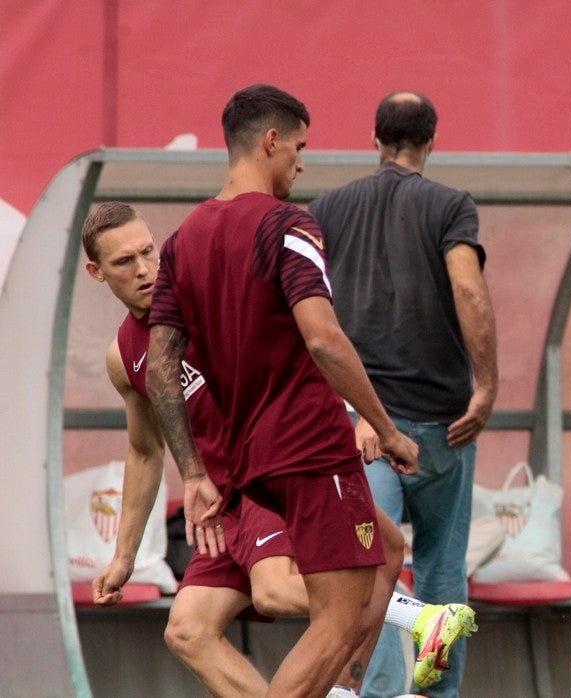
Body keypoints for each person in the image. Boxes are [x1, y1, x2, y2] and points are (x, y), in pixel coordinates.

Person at [146, 84, 465, 698]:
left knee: (384, 553)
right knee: (342, 616)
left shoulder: (182, 241)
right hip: (310, 446)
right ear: (271, 142)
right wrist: (388, 427)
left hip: (249, 461)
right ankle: (416, 628)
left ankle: (380, 660)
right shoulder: (288, 223)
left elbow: (162, 367)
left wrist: (191, 470)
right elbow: (324, 340)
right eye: (298, 147)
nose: (302, 162)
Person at [83, 202, 470, 696]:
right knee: (188, 630)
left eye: (148, 252)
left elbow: (299, 346)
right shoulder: (123, 357)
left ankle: (417, 621)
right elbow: (144, 451)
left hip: (266, 477)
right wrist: (124, 557)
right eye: (124, 262)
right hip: (221, 508)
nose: (144, 270)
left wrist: (356, 418)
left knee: (289, 584)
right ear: (97, 272)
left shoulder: (201, 300)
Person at [309, 90, 498, 698]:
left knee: (370, 570)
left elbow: (307, 312)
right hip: (445, 424)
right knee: (443, 573)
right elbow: (469, 292)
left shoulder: (329, 208)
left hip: (364, 423)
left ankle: (381, 695)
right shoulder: (449, 205)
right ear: (431, 141)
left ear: (375, 139)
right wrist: (487, 385)